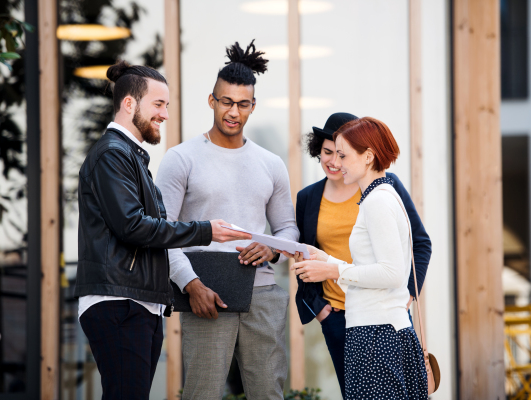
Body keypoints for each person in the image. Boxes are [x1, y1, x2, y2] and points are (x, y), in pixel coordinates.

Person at [75, 61, 250, 400]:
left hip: (136, 303)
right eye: (158, 104)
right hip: (120, 302)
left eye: (166, 105)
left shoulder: (130, 156)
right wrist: (205, 231)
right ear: (129, 104)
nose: (165, 115)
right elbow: (133, 226)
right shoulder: (112, 154)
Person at [156, 40, 298, 400]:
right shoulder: (181, 159)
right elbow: (160, 233)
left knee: (268, 393)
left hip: (262, 292)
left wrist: (270, 247)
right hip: (205, 291)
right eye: (227, 102)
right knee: (202, 393)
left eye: (243, 104)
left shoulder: (271, 163)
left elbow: (287, 228)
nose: (234, 112)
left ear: (253, 106)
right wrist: (190, 285)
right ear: (212, 101)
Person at [292, 112, 431, 396]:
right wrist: (325, 264)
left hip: (376, 327)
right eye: (330, 153)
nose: (336, 162)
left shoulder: (377, 198)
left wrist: (333, 270)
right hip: (357, 320)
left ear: (367, 156)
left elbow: (395, 268)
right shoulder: (373, 195)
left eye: (342, 155)